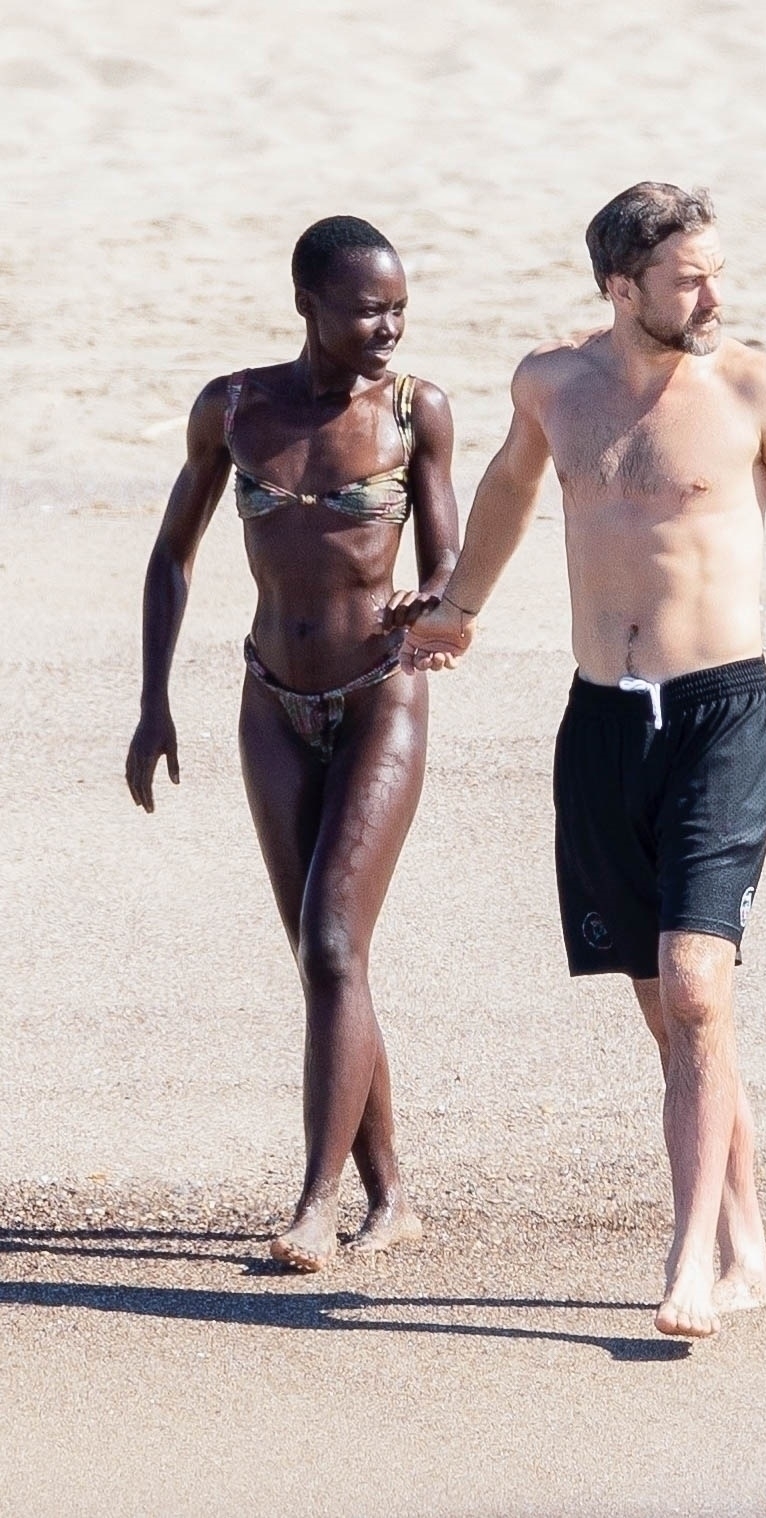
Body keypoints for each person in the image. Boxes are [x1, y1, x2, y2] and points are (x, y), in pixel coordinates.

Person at [401, 183, 766, 1337]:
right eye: (688, 278)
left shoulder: (753, 391)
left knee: (695, 987)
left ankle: (689, 1267)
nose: (714, 295)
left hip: (723, 716)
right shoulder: (552, 386)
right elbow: (512, 483)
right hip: (603, 727)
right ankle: (744, 1236)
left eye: (717, 269)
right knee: (673, 1017)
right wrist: (459, 607)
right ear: (620, 288)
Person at [126, 216, 459, 1271]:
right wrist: (152, 701)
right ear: (309, 305)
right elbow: (172, 556)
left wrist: (438, 604)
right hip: (271, 701)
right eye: (368, 308)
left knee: (329, 947)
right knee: (330, 959)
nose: (389, 327)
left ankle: (317, 1202)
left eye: (399, 306)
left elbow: (452, 559)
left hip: (379, 697)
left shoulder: (417, 412)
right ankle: (392, 1193)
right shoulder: (233, 409)